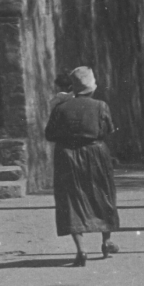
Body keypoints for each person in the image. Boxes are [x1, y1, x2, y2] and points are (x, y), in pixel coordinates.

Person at [44, 66, 120, 266]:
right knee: (103, 195)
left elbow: (49, 134)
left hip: (67, 155)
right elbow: (107, 130)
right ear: (91, 88)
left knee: (70, 200)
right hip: (96, 154)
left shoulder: (60, 108)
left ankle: (81, 251)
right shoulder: (101, 106)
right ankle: (106, 242)